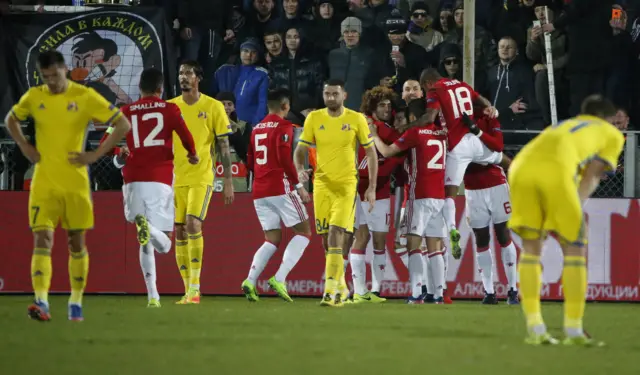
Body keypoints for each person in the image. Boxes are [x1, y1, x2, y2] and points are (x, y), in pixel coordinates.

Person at [4, 50, 131, 321]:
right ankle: (42, 301)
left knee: (76, 242)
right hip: (44, 181)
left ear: (66, 69)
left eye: (55, 75)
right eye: (46, 76)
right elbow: (10, 120)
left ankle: (75, 300)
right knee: (42, 239)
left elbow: (122, 124)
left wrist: (94, 155)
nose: (51, 81)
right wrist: (25, 146)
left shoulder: (84, 96)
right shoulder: (35, 96)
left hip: (75, 182)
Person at [508, 95, 624, 346]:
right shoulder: (611, 133)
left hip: (519, 168)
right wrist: (575, 209)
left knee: (531, 250)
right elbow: (593, 173)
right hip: (556, 173)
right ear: (609, 118)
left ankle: (536, 329)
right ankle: (574, 331)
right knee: (575, 248)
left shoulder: (564, 125)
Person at [108, 68, 199, 307]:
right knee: (165, 245)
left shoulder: (125, 111)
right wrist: (192, 154)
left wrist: (119, 155)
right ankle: (147, 226)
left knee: (145, 243)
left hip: (132, 179)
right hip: (159, 179)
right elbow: (185, 134)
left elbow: (108, 141)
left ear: (139, 89)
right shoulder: (170, 109)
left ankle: (153, 297)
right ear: (161, 90)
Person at [294, 79, 378, 307]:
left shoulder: (355, 119)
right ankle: (341, 285)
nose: (331, 98)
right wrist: (300, 170)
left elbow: (371, 153)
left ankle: (329, 291)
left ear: (344, 95)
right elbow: (300, 149)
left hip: (346, 185)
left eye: (335, 94)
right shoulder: (314, 118)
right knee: (326, 240)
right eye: (327, 94)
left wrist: (371, 187)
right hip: (321, 185)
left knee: (335, 232)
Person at [407, 68, 507, 260]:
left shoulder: (434, 90)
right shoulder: (462, 84)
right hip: (473, 139)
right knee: (500, 158)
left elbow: (428, 118)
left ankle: (452, 228)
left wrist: (404, 128)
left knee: (449, 193)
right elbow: (482, 101)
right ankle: (520, 176)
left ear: (427, 83)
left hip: (458, 146)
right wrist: (489, 108)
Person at [169, 60, 235, 305]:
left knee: (192, 224)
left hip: (201, 177)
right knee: (178, 230)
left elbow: (224, 146)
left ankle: (195, 287)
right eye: (180, 73)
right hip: (175, 178)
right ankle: (187, 290)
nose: (183, 77)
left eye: (188, 73)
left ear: (198, 78)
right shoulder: (170, 107)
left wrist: (227, 180)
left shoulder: (213, 106)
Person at [372, 98, 448, 304]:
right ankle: (438, 294)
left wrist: (374, 136)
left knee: (413, 244)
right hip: (439, 197)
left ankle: (416, 293)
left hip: (419, 195)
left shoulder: (414, 133)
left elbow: (386, 152)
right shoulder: (442, 134)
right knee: (434, 246)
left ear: (413, 117)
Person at [241, 89, 313, 302]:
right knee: (304, 232)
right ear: (286, 106)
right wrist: (298, 184)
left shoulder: (256, 129)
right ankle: (280, 278)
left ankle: (250, 280)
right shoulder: (284, 126)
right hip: (279, 188)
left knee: (272, 239)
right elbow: (283, 158)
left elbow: (251, 162)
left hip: (259, 190)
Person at [350, 86, 404, 303]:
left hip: (380, 192)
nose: (387, 109)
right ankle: (358, 289)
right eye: (382, 105)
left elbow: (394, 160)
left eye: (389, 105)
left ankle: (376, 290)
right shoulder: (358, 125)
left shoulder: (389, 132)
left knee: (379, 240)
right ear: (372, 107)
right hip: (356, 191)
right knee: (358, 238)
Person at [462, 111, 519, 305]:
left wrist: (476, 132)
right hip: (472, 189)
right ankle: (489, 291)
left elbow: (498, 146)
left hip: (496, 185)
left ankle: (513, 290)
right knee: (481, 239)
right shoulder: (453, 124)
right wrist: (489, 156)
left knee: (503, 234)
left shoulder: (488, 117)